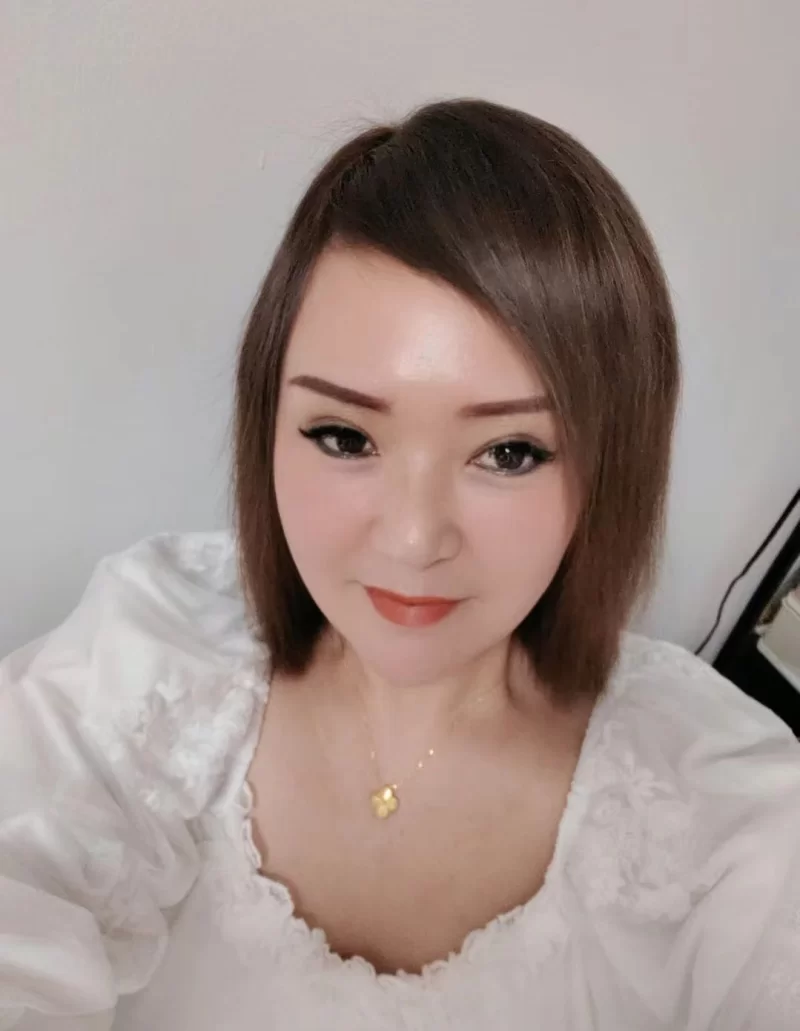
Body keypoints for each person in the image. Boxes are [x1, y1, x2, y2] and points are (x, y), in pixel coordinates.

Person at [1, 97, 798, 1031]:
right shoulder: (147, 656)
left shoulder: (723, 814)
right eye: (345, 436)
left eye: (509, 452)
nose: (414, 539)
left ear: (611, 465)